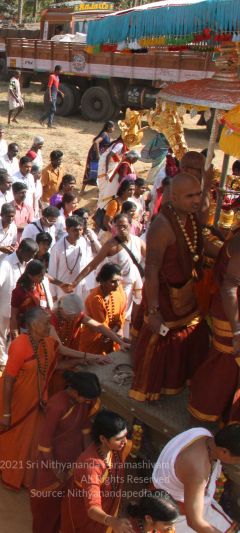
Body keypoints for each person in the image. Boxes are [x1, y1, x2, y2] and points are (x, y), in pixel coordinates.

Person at [0, 307, 100, 489]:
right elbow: (8, 380)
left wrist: (79, 361)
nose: (49, 326)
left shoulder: (48, 343)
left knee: (29, 439)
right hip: (16, 401)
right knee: (9, 435)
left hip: (38, 400)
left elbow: (53, 366)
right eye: (45, 323)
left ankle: (19, 475)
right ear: (33, 325)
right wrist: (6, 413)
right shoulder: (19, 345)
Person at [129, 173, 212, 402]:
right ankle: (150, 391)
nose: (196, 200)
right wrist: (154, 311)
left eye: (198, 194)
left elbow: (198, 245)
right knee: (161, 342)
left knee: (195, 335)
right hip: (164, 297)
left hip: (186, 292)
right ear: (174, 197)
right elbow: (152, 270)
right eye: (190, 196)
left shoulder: (190, 217)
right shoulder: (163, 226)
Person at [29, 371, 102, 533]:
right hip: (51, 465)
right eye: (86, 398)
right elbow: (45, 444)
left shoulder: (83, 403)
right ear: (75, 392)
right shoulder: (57, 405)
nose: (88, 402)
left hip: (73, 462)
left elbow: (85, 430)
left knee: (63, 507)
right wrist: (57, 471)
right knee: (44, 507)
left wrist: (88, 458)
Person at [189, 231, 240, 423]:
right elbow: (229, 287)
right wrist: (237, 330)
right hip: (231, 313)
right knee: (226, 362)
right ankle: (203, 412)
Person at [152, 425, 240, 532]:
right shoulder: (198, 473)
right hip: (176, 514)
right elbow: (195, 522)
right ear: (224, 451)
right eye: (237, 460)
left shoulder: (203, 434)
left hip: (167, 497)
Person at [60, 411, 133, 533]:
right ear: (103, 439)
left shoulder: (115, 449)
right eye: (119, 439)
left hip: (104, 514)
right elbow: (92, 508)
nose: (125, 442)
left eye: (125, 436)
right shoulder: (91, 466)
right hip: (86, 519)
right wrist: (113, 521)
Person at [0, 239, 39, 370]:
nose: (31, 257)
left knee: (16, 334)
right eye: (30, 254)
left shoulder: (29, 263)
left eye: (34, 255)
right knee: (2, 333)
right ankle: (1, 360)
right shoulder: (6, 263)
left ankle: (16, 357)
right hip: (5, 305)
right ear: (21, 250)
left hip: (21, 308)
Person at [79, 264, 127, 356]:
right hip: (94, 343)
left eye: (119, 280)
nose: (117, 284)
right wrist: (119, 339)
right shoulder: (95, 299)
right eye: (113, 281)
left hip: (113, 339)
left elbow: (121, 314)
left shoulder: (119, 290)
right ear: (102, 281)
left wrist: (117, 329)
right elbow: (101, 326)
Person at [83, 121, 115, 191]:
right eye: (113, 127)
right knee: (90, 169)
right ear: (109, 127)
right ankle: (82, 190)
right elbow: (96, 142)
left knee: (97, 170)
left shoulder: (106, 134)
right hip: (95, 154)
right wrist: (98, 155)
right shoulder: (104, 134)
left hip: (98, 154)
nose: (114, 129)